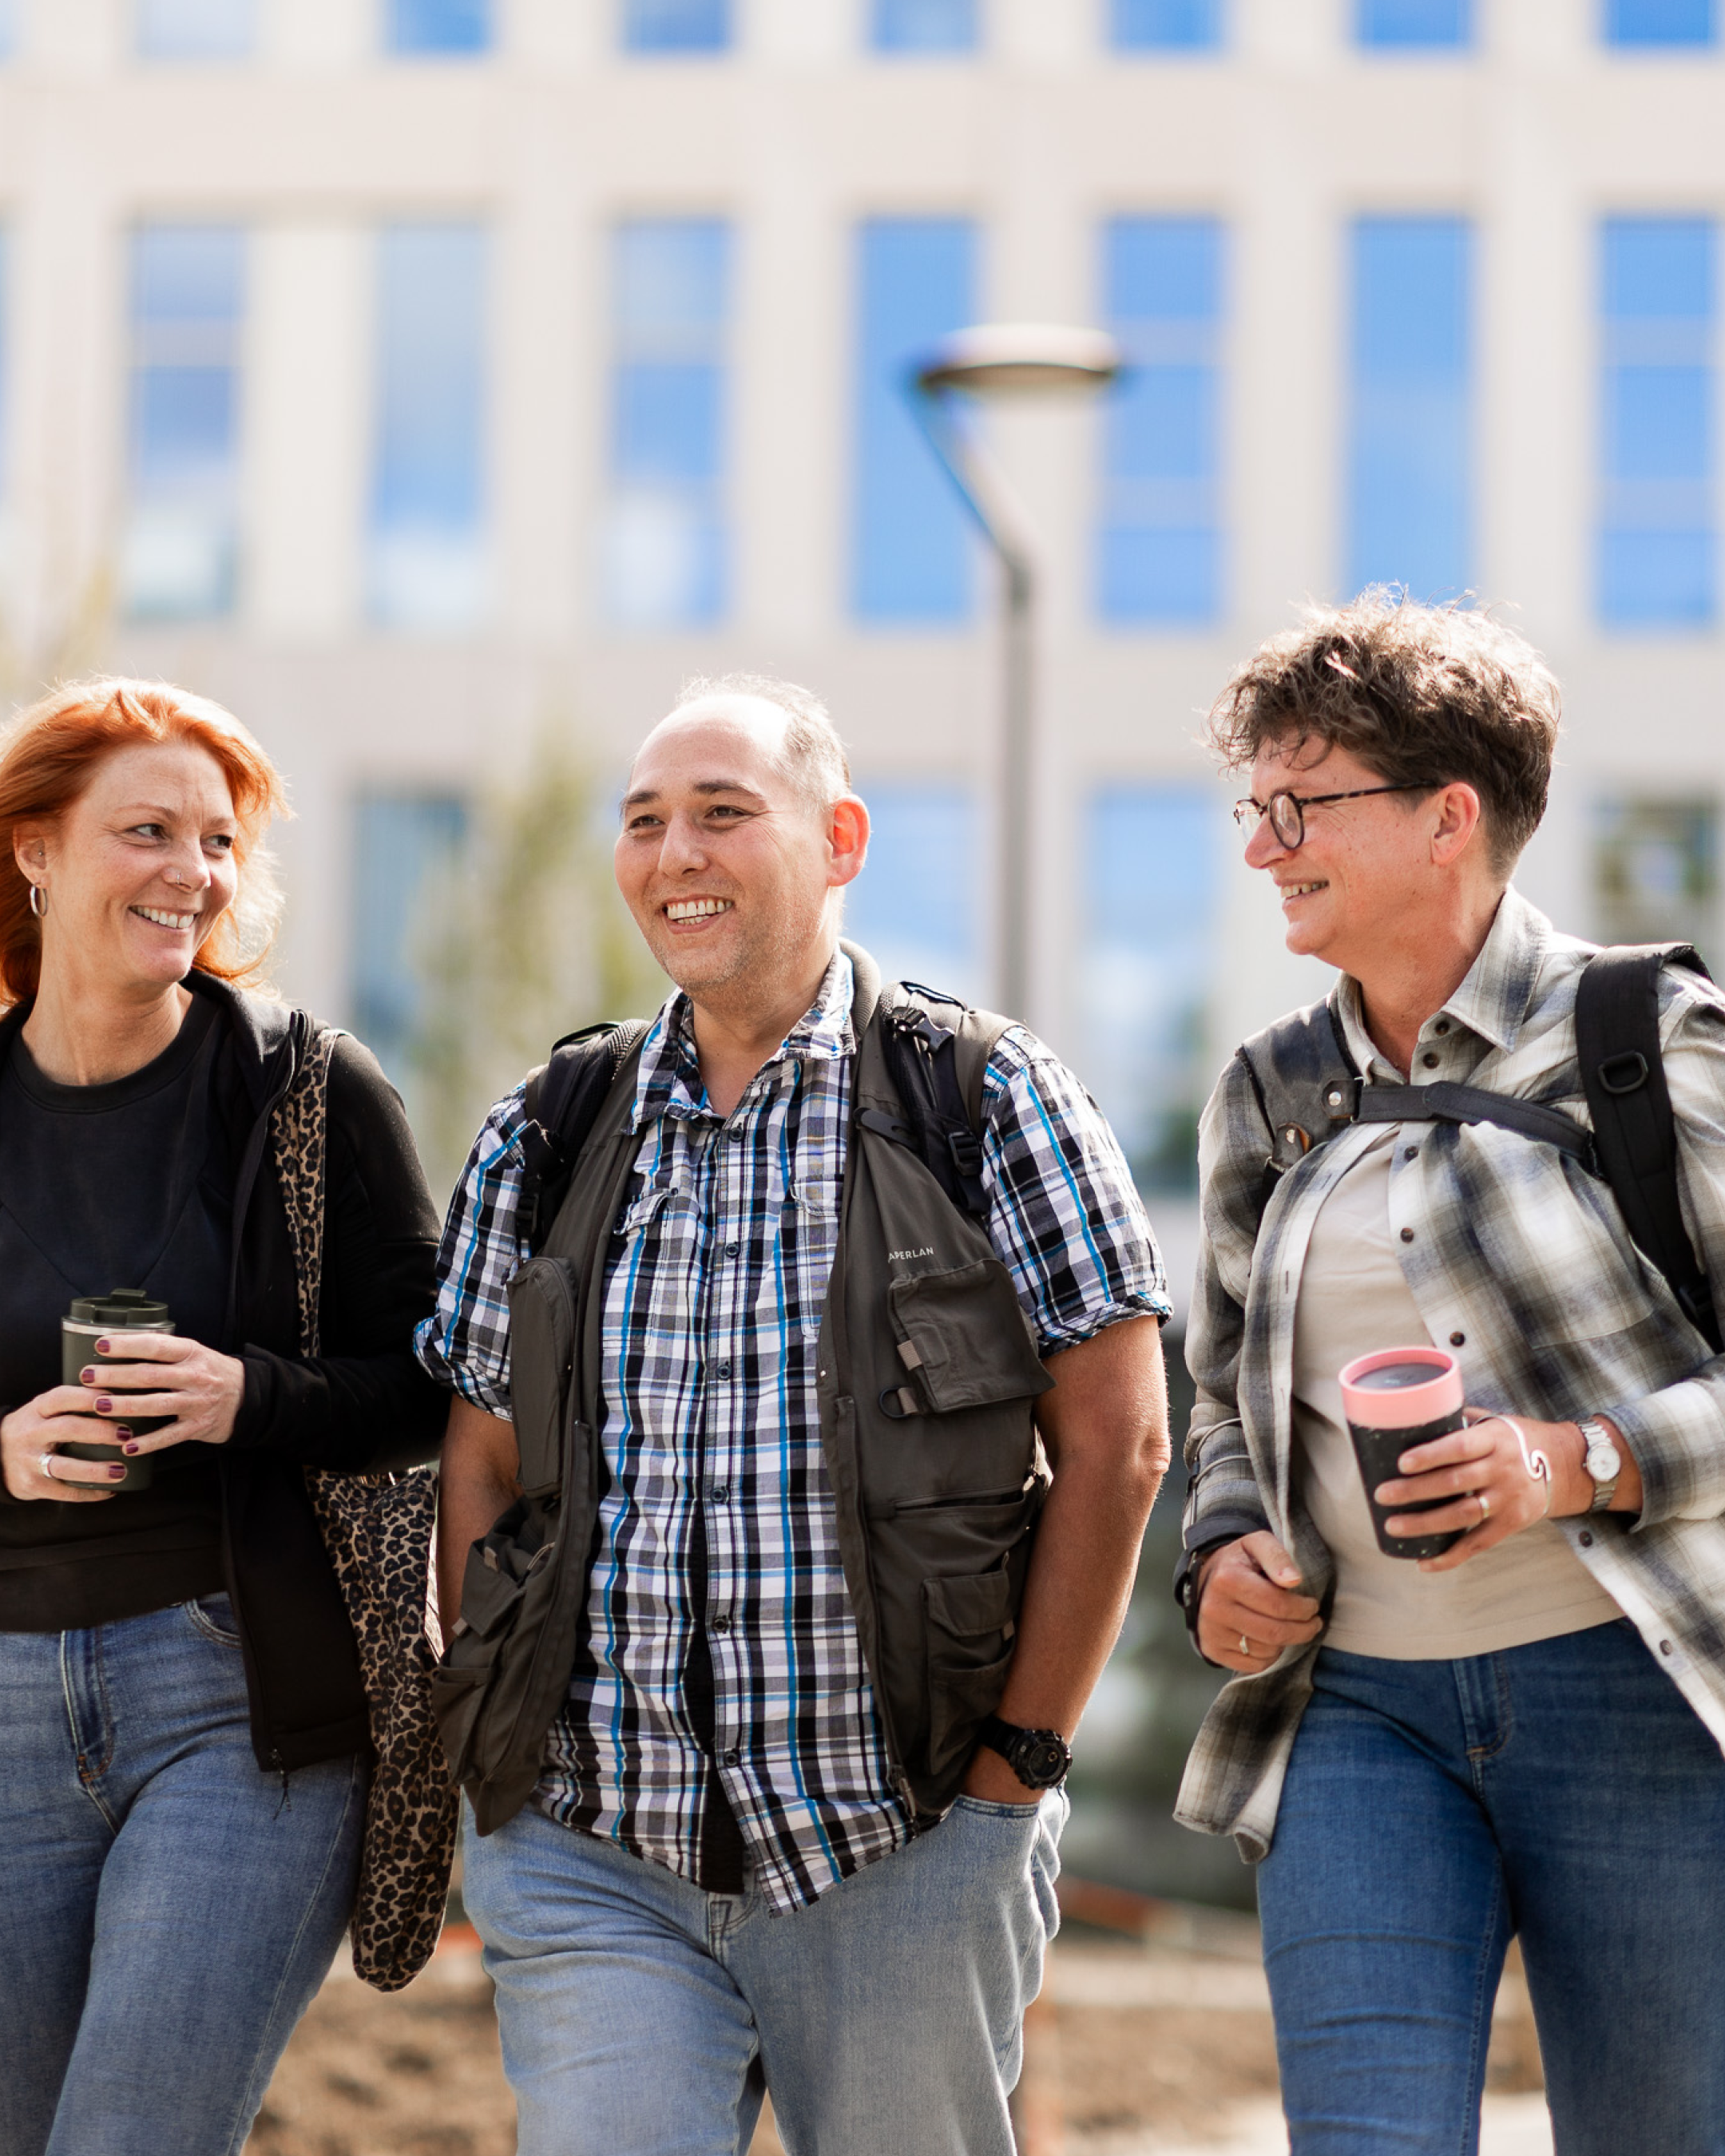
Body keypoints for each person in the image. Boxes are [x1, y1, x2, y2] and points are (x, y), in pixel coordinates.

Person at [419, 672, 1170, 2156]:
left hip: (898, 1846)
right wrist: (497, 1758)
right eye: (643, 822)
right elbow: (482, 1453)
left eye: (722, 813)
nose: (674, 854)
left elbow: (1120, 1442)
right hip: (591, 1851)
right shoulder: (553, 1125)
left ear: (839, 838)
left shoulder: (988, 1097)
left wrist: (1014, 1778)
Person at [1176, 594, 1725, 2156]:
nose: (1265, 844)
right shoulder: (1274, 1094)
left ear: (1450, 816)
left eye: (1305, 805)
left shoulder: (1643, 1042)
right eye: (1255, 808)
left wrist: (1579, 1463)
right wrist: (1220, 1558)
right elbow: (1222, 1395)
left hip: (1638, 1706)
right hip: (1358, 1722)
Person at [0, 680, 446, 2156]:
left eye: (217, 838)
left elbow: (441, 1380)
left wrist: (252, 1395)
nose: (194, 870)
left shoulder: (307, 1092)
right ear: (37, 853)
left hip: (239, 1701)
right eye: (148, 829)